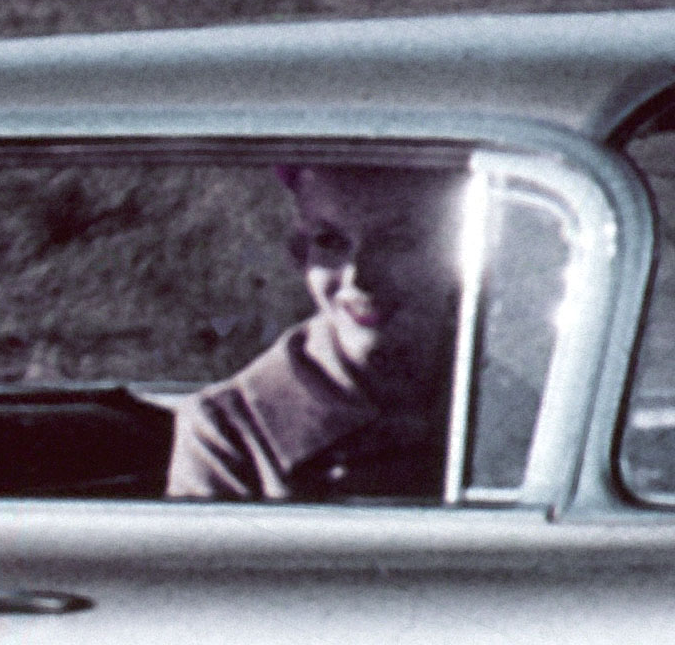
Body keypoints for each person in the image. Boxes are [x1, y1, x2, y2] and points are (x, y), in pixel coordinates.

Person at [166, 164, 468, 501]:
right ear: (300, 253)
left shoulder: (504, 398)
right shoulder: (229, 430)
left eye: (396, 242)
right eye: (331, 241)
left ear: (457, 252)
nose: (359, 278)